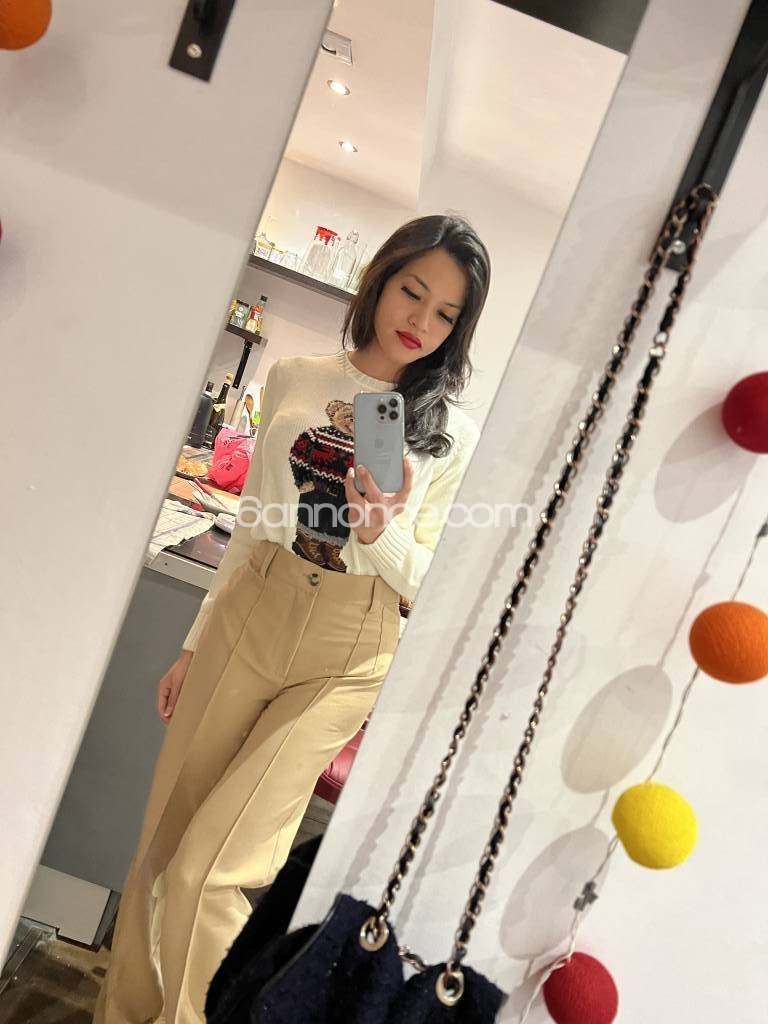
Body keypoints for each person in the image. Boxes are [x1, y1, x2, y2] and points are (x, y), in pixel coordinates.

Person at [94, 214, 491, 1023]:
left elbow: (432, 580)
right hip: (254, 606)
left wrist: (378, 534)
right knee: (161, 849)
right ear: (380, 279)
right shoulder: (298, 377)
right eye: (412, 292)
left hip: (350, 643)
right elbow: (253, 521)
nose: (421, 321)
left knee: (214, 872)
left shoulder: (449, 434)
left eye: (446, 313)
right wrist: (194, 642)